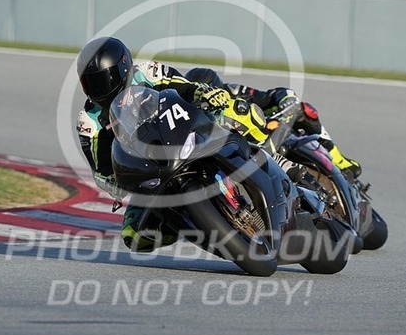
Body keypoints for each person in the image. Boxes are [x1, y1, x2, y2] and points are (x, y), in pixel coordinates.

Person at [75, 37, 268, 252]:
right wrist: (114, 183)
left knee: (239, 112)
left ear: (122, 67)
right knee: (135, 235)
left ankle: (275, 156)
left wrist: (204, 93)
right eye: (89, 83)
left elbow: (185, 87)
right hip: (151, 168)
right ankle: (200, 225)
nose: (98, 89)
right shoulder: (89, 122)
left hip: (187, 131)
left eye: (102, 80)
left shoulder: (147, 72)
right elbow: (100, 171)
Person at [184, 67, 362, 178]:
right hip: (241, 151)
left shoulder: (234, 91)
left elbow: (275, 94)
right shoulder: (192, 117)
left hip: (269, 130)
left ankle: (340, 160)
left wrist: (285, 103)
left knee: (306, 111)